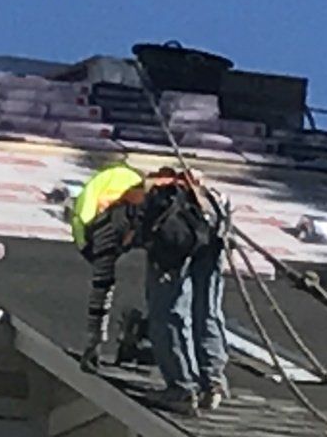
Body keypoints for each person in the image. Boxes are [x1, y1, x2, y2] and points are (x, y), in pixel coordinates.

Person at [70, 163, 231, 415]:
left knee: (167, 313)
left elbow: (102, 291)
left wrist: (94, 343)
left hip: (175, 232)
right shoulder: (141, 190)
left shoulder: (101, 233)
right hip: (210, 217)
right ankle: (213, 383)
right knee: (207, 307)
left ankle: (182, 389)